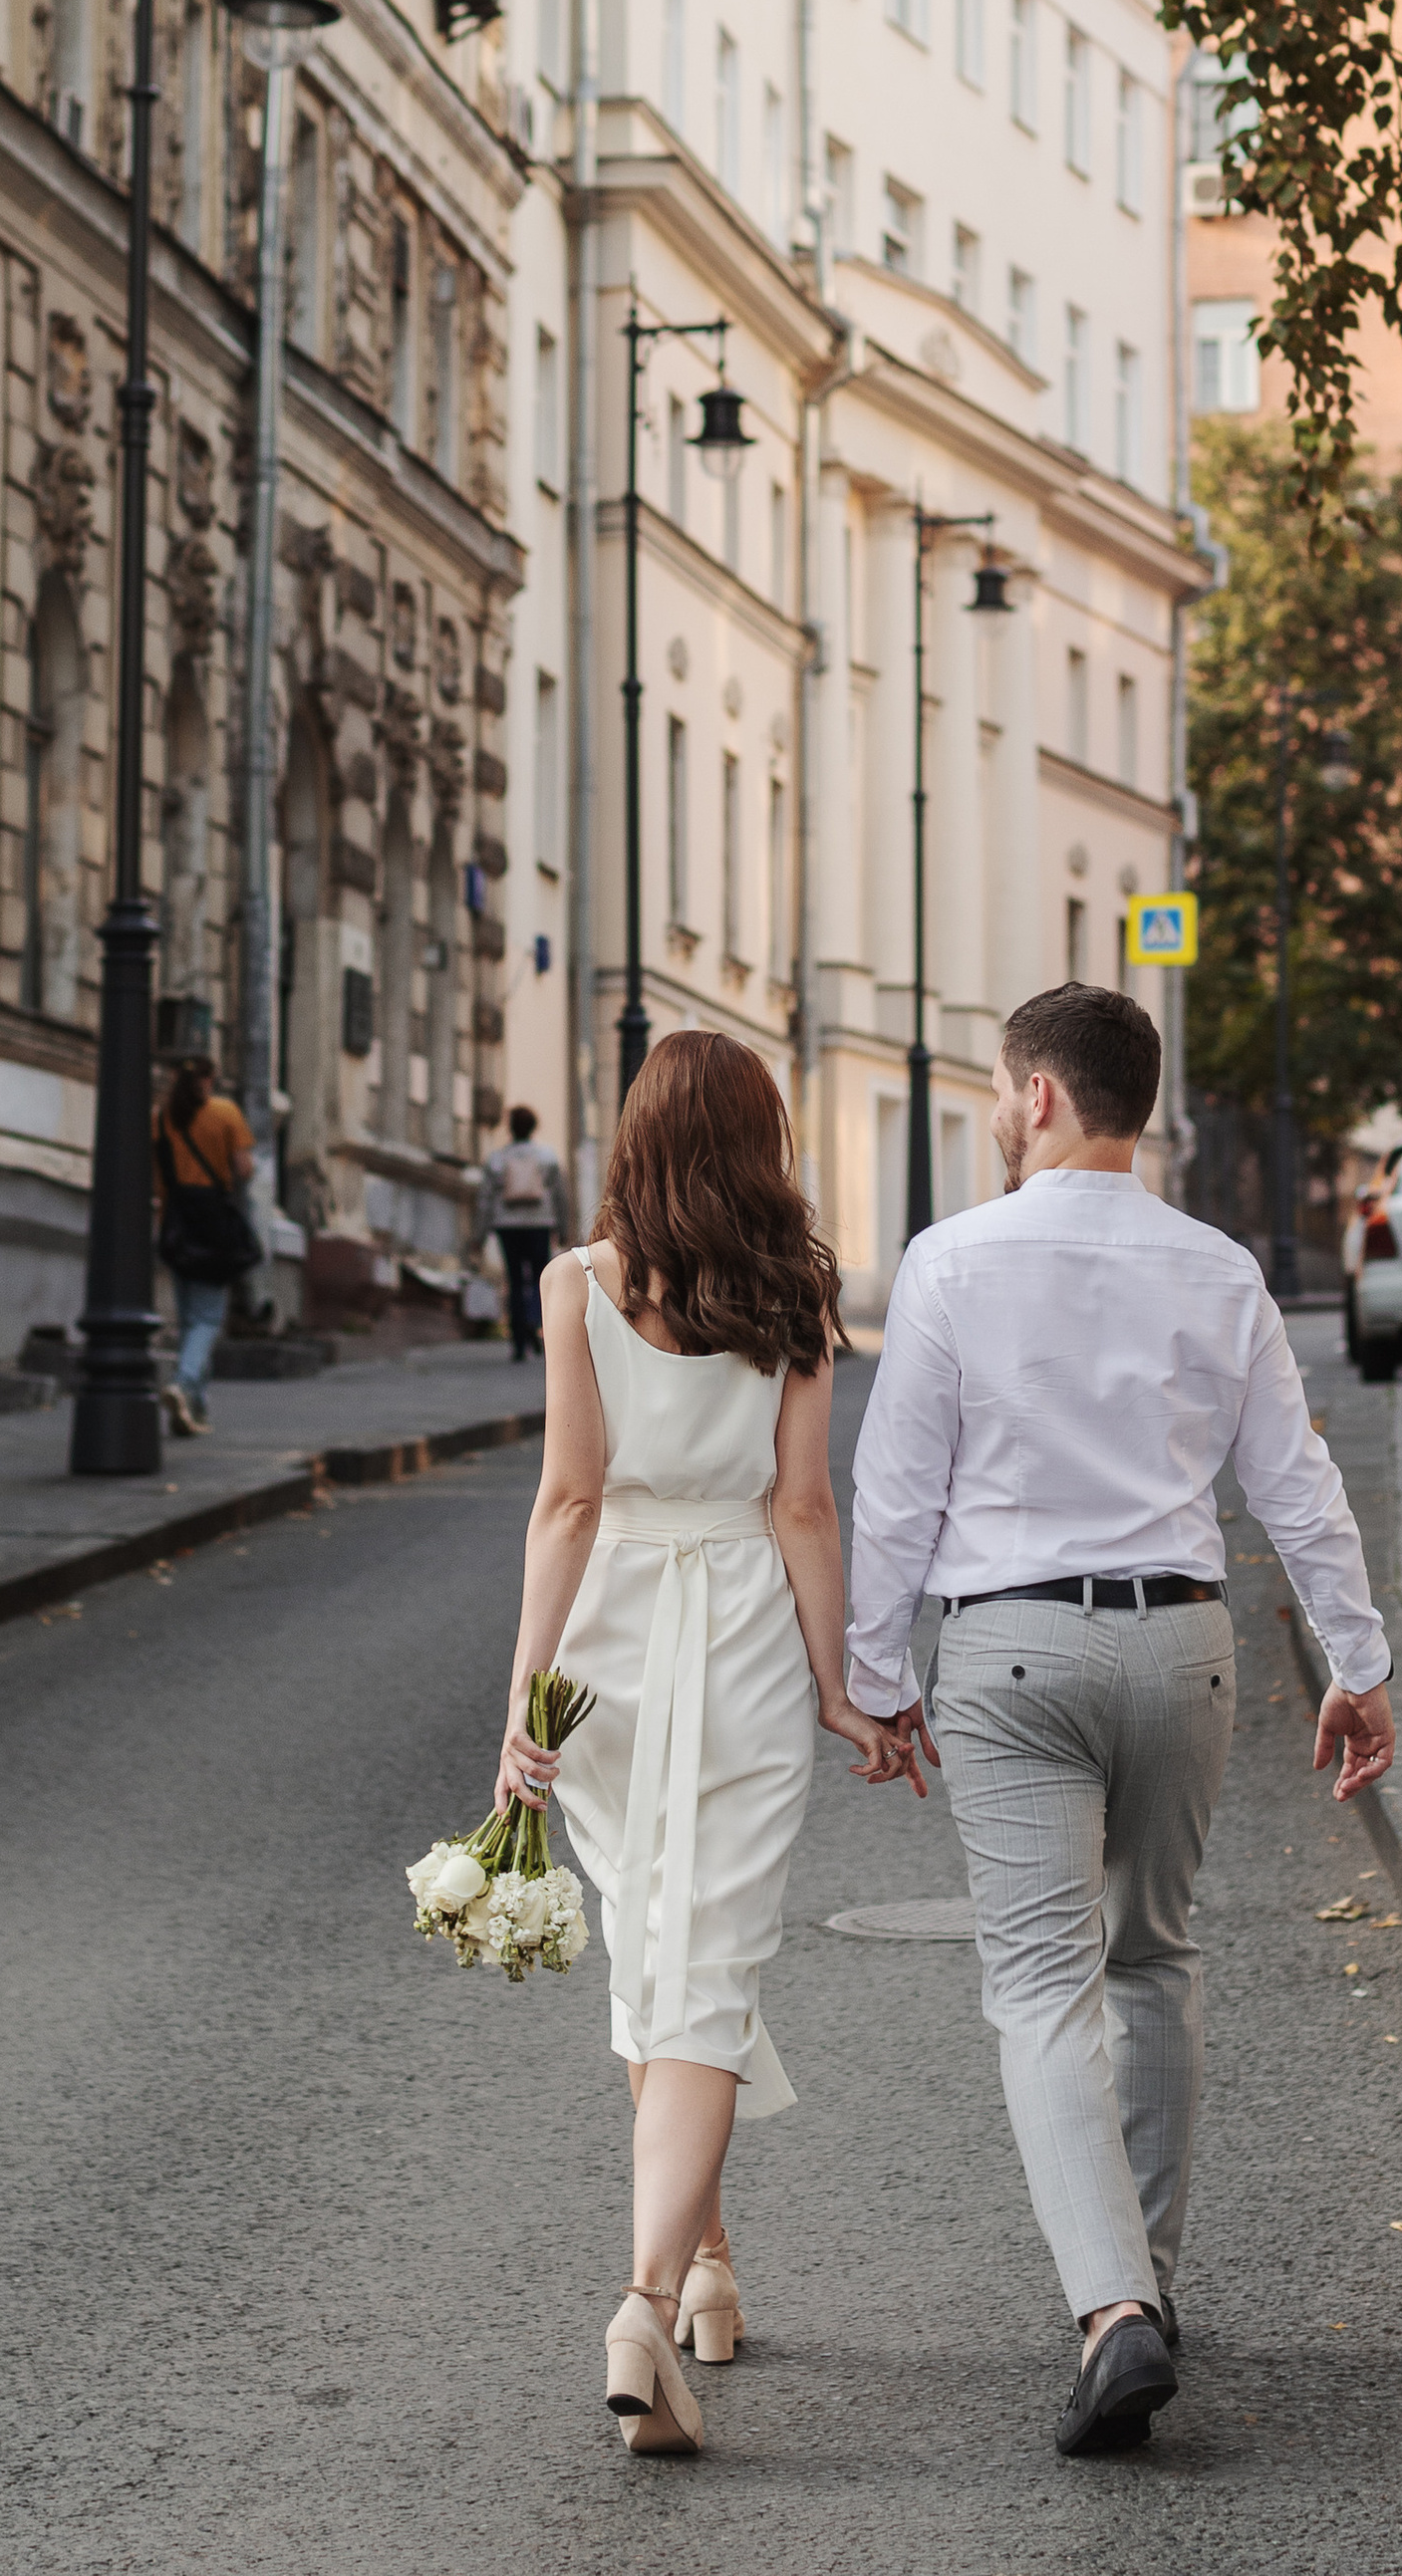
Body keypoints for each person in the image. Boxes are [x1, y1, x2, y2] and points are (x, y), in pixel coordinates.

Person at [846, 981, 1396, 2460]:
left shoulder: (953, 1262)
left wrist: (874, 1679)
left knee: (1040, 1987)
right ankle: (1142, 2281)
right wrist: (1358, 1658)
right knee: (1154, 1957)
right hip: (1185, 1654)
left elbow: (901, 1492)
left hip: (1014, 1654)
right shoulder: (1219, 1269)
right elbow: (1297, 1485)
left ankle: (1112, 2315)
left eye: (1001, 1090)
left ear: (1037, 1098)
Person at [491, 1030, 898, 2459]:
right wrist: (840, 1686)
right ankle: (649, 2300)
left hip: (608, 1656)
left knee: (660, 1954)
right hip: (733, 1642)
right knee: (702, 1959)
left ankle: (708, 2269)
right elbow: (803, 1511)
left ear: (636, 1141)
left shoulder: (576, 1286)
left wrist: (526, 1702)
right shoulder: (798, 1294)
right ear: (761, 1147)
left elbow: (567, 1502)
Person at [152, 1057, 256, 1436]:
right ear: (209, 1080)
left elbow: (156, 1177)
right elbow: (243, 1168)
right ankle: (184, 1382)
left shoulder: (161, 1118)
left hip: (175, 1224)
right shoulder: (225, 1112)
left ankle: (195, 1408)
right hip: (212, 1221)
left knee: (189, 1320)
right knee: (209, 1319)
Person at [477, 1102, 569, 1364]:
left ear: (511, 1128)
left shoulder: (497, 1158)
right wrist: (563, 1227)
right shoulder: (547, 1157)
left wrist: (479, 1234)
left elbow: (484, 1199)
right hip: (540, 1223)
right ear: (533, 1128)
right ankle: (536, 1323)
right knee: (542, 1279)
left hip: (507, 1225)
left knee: (515, 1281)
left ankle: (518, 1341)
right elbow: (561, 1195)